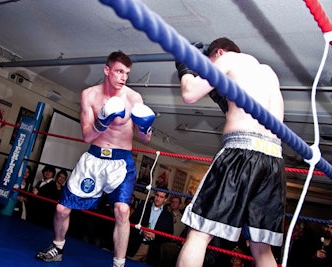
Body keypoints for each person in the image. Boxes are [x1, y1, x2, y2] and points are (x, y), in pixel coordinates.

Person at [36, 51, 155, 267]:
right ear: (107, 70)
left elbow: (145, 140)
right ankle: (57, 247)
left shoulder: (133, 98)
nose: (123, 77)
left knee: (122, 210)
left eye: (127, 73)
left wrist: (146, 126)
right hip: (94, 157)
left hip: (121, 161)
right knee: (62, 209)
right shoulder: (89, 95)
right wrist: (103, 120)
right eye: (119, 71)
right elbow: (87, 135)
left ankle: (118, 264)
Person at [175, 37, 285, 267]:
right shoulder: (267, 72)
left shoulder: (227, 59)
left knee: (199, 234)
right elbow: (239, 109)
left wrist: (184, 66)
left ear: (219, 53)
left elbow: (189, 93)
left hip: (241, 153)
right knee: (261, 248)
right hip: (273, 161)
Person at [127, 190, 174, 266]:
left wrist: (156, 236)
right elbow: (131, 222)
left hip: (154, 250)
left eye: (161, 197)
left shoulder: (168, 216)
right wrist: (141, 231)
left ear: (165, 200)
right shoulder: (143, 206)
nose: (158, 198)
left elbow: (169, 235)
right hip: (138, 244)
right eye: (157, 195)